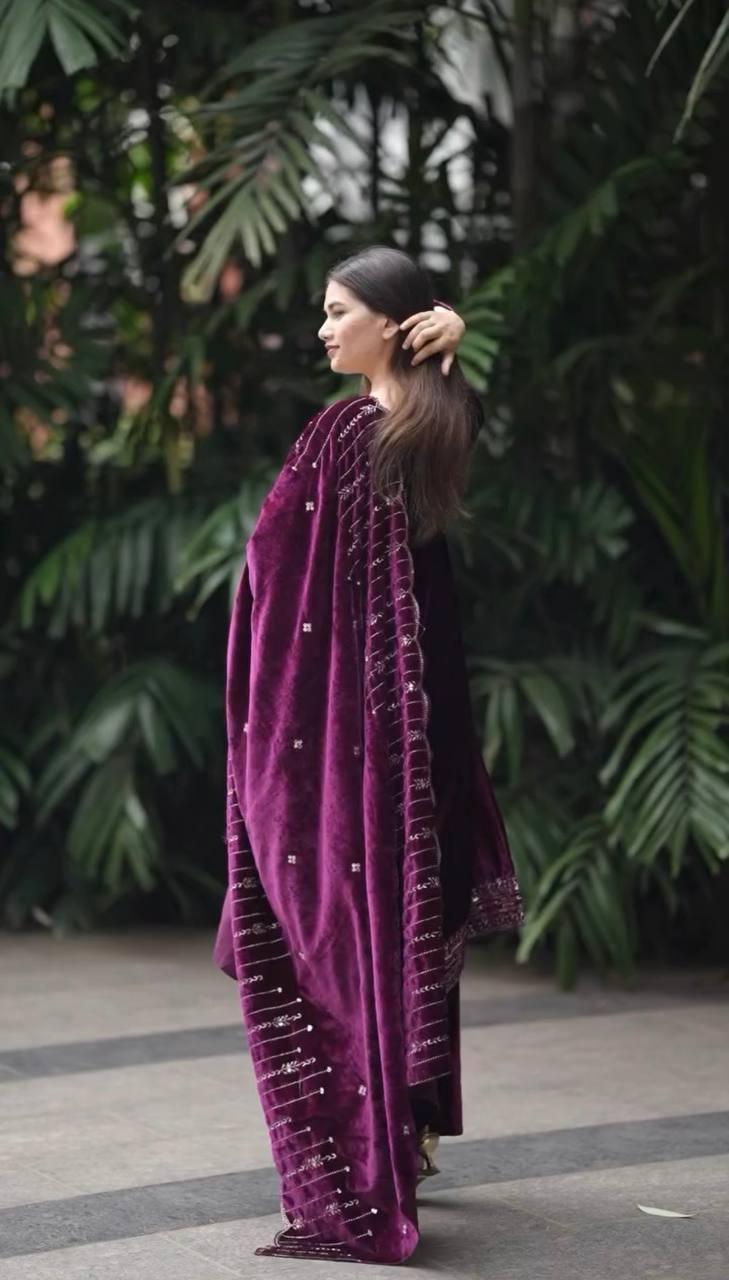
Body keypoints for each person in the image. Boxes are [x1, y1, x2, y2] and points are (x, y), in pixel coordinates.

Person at [212, 244, 523, 1264]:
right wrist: (449, 345)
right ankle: (401, 1133)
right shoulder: (406, 422)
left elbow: (269, 572)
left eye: (339, 310)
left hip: (371, 729)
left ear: (391, 323)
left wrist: (453, 341)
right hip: (413, 717)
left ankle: (366, 1157)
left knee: (358, 930)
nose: (322, 328)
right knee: (394, 919)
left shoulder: (362, 429)